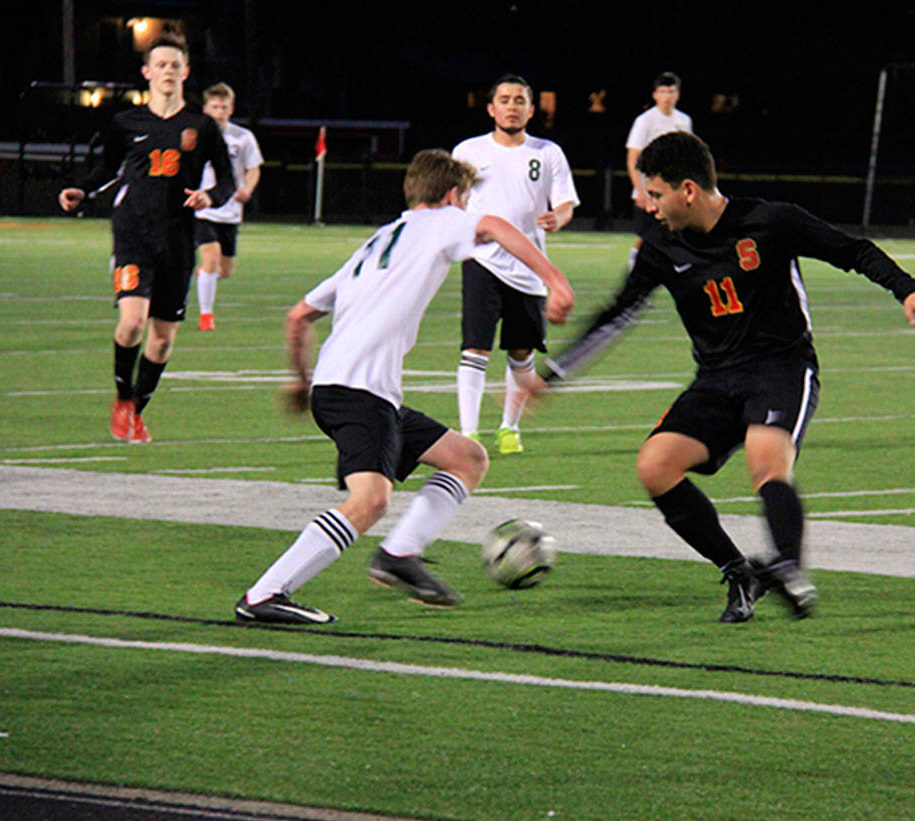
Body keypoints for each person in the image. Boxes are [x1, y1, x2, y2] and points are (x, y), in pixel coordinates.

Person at [523, 132, 915, 623]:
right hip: (716, 378)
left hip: (782, 367)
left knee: (767, 462)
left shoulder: (770, 221)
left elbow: (854, 251)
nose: (649, 207)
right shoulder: (660, 246)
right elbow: (619, 311)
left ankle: (787, 565)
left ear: (688, 190)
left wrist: (909, 292)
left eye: (654, 195)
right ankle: (738, 570)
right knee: (655, 466)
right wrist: (555, 373)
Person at [235, 149, 574, 624]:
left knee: (468, 457)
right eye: (465, 199)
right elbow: (495, 226)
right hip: (359, 392)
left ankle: (400, 554)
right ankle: (264, 594)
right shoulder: (438, 223)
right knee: (370, 501)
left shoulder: (378, 241)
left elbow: (299, 317)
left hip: (350, 389)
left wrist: (302, 379)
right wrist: (554, 280)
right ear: (453, 195)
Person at [58, 35, 234, 444]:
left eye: (176, 65)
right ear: (147, 73)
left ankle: (136, 410)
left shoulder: (201, 126)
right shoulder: (126, 123)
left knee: (162, 337)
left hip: (177, 238)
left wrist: (211, 195)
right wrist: (83, 191)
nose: (169, 71)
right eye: (162, 65)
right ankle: (123, 401)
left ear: (185, 72)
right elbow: (106, 168)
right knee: (132, 324)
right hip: (132, 234)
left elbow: (227, 178)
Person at [451, 73, 580, 455]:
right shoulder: (468, 151)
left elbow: (565, 202)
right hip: (482, 262)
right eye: (504, 100)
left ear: (531, 109)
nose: (512, 106)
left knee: (522, 352)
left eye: (519, 100)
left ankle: (510, 427)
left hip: (530, 268)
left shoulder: (547, 152)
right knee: (475, 349)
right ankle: (468, 433)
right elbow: (453, 199)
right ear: (491, 108)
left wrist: (558, 217)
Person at [192, 82, 264, 331]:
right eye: (214, 107)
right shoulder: (194, 136)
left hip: (231, 211)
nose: (219, 112)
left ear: (231, 109)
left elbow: (253, 169)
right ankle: (206, 317)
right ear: (206, 109)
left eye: (223, 107)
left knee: (225, 270)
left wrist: (247, 189)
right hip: (202, 208)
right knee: (210, 260)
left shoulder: (242, 138)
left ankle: (201, 277)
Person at [625, 72, 692, 270]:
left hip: (673, 190)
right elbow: (633, 158)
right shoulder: (645, 121)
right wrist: (641, 190)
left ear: (677, 95)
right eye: (663, 92)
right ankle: (635, 275)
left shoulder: (683, 121)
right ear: (655, 95)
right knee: (645, 238)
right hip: (651, 191)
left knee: (677, 233)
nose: (667, 96)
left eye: (671, 92)